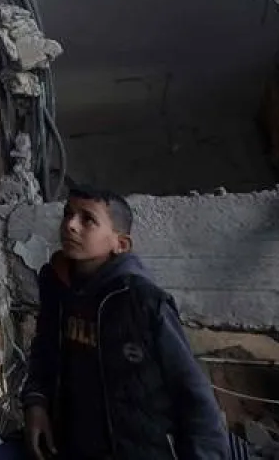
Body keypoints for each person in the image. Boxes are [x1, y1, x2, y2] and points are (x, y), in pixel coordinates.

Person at [20, 188, 228, 460]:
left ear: (121, 244)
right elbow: (45, 349)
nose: (70, 225)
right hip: (70, 446)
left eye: (88, 220)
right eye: (68, 214)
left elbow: (191, 390)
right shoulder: (57, 285)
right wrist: (36, 402)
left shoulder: (143, 300)